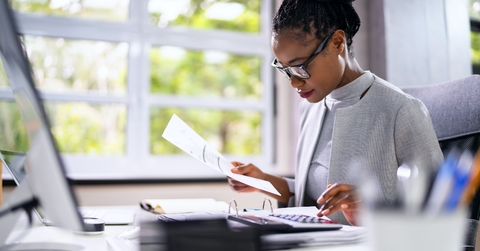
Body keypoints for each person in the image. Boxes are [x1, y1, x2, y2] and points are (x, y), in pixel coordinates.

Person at [228, 0, 443, 226]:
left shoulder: (401, 110)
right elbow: (311, 198)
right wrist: (262, 180)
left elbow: (440, 208)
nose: (293, 82)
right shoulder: (311, 107)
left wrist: (368, 206)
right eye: (285, 69)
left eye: (300, 66)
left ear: (337, 43)